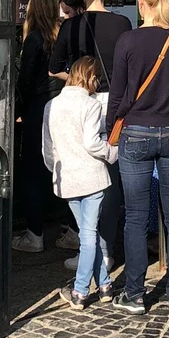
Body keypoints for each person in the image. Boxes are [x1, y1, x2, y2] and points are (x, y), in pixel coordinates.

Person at [106, 0, 169, 315]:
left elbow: (117, 93)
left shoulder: (127, 42)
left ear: (141, 4)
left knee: (134, 217)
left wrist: (109, 130)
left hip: (137, 133)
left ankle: (134, 293)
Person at [43, 57, 117, 310]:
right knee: (89, 236)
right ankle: (81, 290)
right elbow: (92, 143)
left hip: (68, 178)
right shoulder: (91, 104)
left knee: (88, 234)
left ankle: (105, 284)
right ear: (91, 77)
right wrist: (112, 152)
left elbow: (48, 149)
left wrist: (56, 170)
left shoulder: (51, 105)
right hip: (92, 176)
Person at [12, 0, 62, 254]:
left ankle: (34, 233)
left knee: (32, 171)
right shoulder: (60, 34)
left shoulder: (34, 39)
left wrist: (16, 109)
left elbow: (26, 82)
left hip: (37, 109)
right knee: (58, 168)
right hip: (60, 106)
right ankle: (71, 228)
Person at [50, 0, 131, 91]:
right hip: (112, 97)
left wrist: (77, 79)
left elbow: (53, 70)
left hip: (82, 94)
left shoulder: (70, 26)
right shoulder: (123, 23)